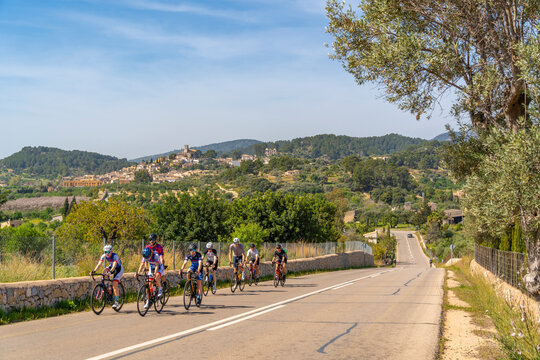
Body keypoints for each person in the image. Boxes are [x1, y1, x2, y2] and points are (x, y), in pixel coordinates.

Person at [92, 244, 123, 309]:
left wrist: (110, 272)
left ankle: (116, 301)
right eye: (105, 252)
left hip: (118, 269)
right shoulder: (104, 256)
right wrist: (94, 271)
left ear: (111, 251)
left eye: (108, 252)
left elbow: (114, 266)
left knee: (114, 284)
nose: (107, 253)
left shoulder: (115, 256)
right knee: (104, 271)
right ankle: (108, 287)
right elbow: (99, 264)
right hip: (111, 266)